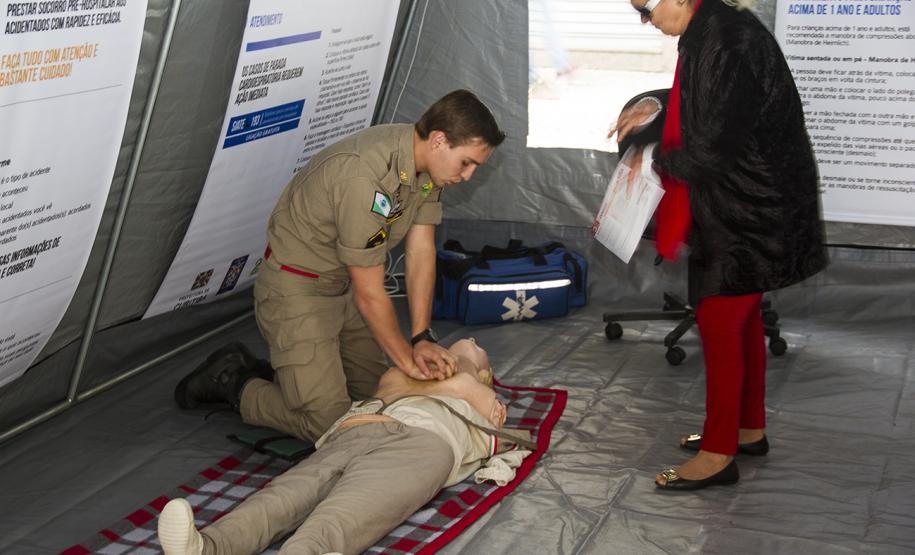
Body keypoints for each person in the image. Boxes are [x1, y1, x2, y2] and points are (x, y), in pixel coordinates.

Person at [174, 90, 506, 442]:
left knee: (376, 399)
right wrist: (408, 361)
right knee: (333, 426)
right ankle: (234, 380)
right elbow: (370, 293)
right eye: (466, 163)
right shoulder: (365, 176)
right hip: (297, 291)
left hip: (342, 288)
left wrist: (421, 337)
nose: (467, 176)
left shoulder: (426, 166)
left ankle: (290, 377)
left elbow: (422, 250)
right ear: (439, 140)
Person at [609, 0, 827, 490]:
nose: (644, 20)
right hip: (744, 201)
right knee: (739, 316)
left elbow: (705, 149)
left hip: (755, 206)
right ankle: (747, 429)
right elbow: (708, 101)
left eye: (645, 8)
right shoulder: (712, 29)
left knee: (720, 318)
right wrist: (651, 110)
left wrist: (645, 149)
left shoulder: (727, 38)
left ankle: (717, 453)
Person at [157, 339, 534, 555]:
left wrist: (460, 380)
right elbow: (388, 385)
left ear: (486, 370)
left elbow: (487, 424)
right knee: (288, 493)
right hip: (360, 428)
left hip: (424, 443)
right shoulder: (410, 369)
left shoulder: (486, 394)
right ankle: (206, 546)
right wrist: (438, 380)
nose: (471, 343)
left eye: (477, 348)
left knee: (348, 511)